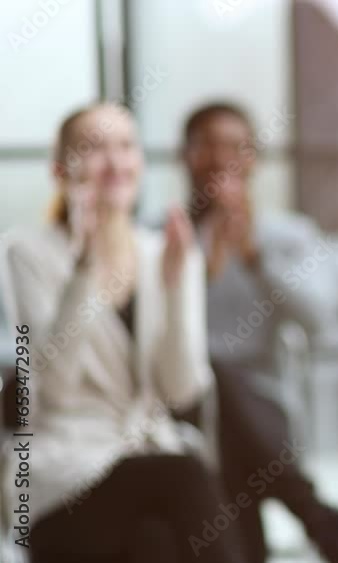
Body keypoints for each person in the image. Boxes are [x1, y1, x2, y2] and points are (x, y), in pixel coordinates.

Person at [0, 103, 248, 563]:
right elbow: (50, 390)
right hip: (64, 478)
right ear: (60, 169)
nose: (114, 162)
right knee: (186, 475)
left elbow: (181, 390)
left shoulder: (167, 252)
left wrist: (175, 291)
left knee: (155, 544)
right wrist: (87, 264)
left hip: (145, 468)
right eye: (94, 148)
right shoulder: (26, 253)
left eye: (126, 146)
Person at [181, 102, 338, 563]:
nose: (222, 157)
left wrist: (257, 258)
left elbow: (322, 322)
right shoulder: (163, 238)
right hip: (184, 409)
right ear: (186, 155)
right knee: (209, 378)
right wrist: (194, 269)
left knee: (224, 393)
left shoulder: (287, 236)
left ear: (254, 159)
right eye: (209, 144)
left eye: (235, 146)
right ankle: (321, 521)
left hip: (262, 407)